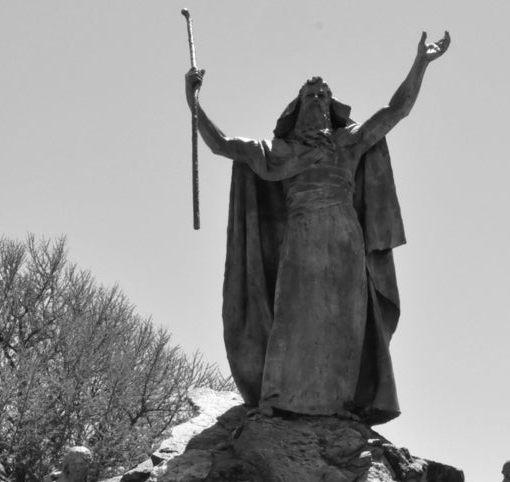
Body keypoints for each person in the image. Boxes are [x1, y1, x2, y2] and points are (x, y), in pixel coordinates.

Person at [184, 31, 449, 423]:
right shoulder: (277, 152)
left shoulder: (348, 143)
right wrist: (193, 103)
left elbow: (397, 110)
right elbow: (222, 144)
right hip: (302, 235)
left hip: (344, 238)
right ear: (296, 107)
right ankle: (277, 398)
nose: (317, 99)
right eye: (310, 95)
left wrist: (420, 64)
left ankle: (342, 403)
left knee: (345, 319)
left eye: (323, 96)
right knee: (291, 316)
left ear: (332, 107)